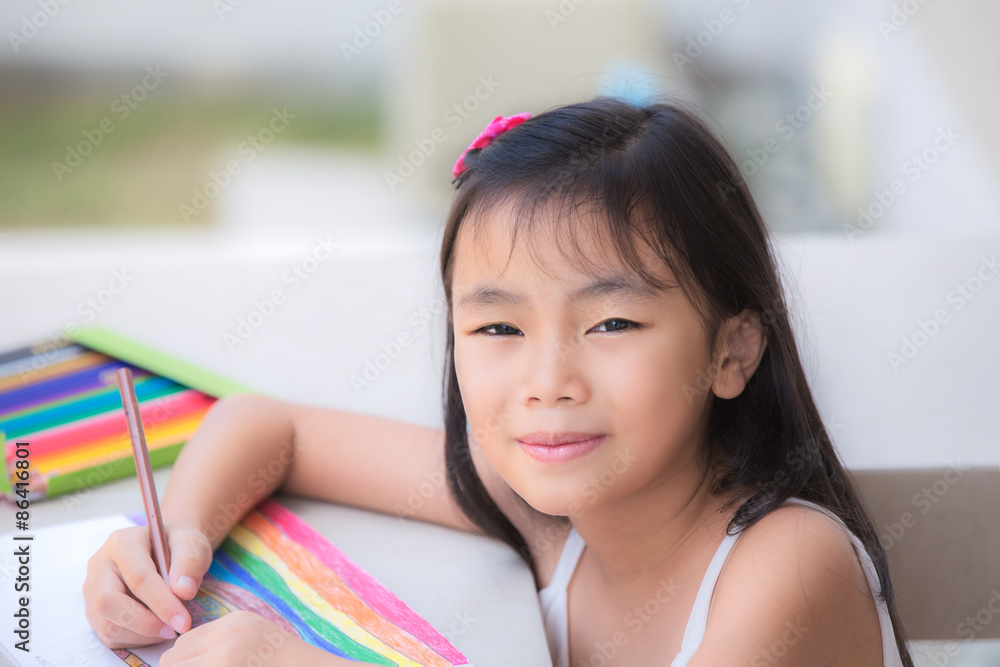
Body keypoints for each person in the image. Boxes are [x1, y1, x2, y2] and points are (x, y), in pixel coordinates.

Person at [83, 96, 914, 666]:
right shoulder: (556, 513)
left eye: (613, 324)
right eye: (499, 328)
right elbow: (271, 428)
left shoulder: (789, 563)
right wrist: (176, 547)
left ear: (731, 352)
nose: (547, 381)